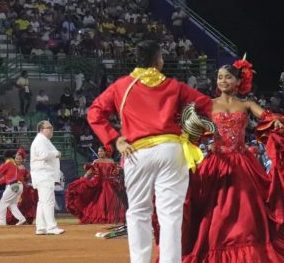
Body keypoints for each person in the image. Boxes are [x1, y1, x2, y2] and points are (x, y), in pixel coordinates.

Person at [87, 40, 211, 263]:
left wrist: (115, 139)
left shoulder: (121, 86)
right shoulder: (175, 86)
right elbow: (207, 105)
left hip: (136, 152)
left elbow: (95, 113)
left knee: (138, 212)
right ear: (158, 61)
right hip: (171, 150)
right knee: (171, 214)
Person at [181, 59, 284, 262]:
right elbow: (190, 128)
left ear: (238, 81)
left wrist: (275, 121)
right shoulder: (207, 104)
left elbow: (267, 116)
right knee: (213, 212)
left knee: (248, 213)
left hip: (243, 164)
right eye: (220, 77)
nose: (223, 81)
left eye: (228, 77)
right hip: (216, 165)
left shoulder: (247, 104)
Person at [66, 146, 125, 224]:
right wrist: (83, 180)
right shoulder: (105, 162)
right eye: (98, 151)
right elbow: (90, 172)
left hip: (104, 183)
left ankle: (107, 217)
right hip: (103, 184)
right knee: (104, 202)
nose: (99, 153)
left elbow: (115, 172)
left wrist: (83, 179)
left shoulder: (104, 162)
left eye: (101, 151)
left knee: (106, 202)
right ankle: (106, 217)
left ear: (106, 152)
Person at [30, 120, 64, 235]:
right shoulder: (40, 140)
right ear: (41, 130)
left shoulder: (44, 140)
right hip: (43, 174)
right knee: (48, 201)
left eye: (51, 127)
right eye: (48, 128)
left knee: (42, 202)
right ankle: (51, 227)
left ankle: (41, 227)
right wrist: (56, 153)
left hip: (43, 174)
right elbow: (43, 154)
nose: (51, 129)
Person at [0, 150, 26, 226]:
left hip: (13, 186)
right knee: (12, 204)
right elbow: (5, 177)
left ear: (4, 157)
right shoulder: (14, 164)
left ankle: (2, 221)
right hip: (19, 186)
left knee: (3, 202)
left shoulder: (7, 163)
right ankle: (21, 219)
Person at [1, 148, 38, 225]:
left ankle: (19, 219)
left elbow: (26, 177)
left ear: (22, 160)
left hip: (18, 188)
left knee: (18, 204)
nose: (17, 159)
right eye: (16, 158)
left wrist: (27, 183)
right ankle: (18, 219)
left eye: (19, 158)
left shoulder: (22, 167)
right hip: (14, 186)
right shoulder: (13, 165)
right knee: (12, 204)